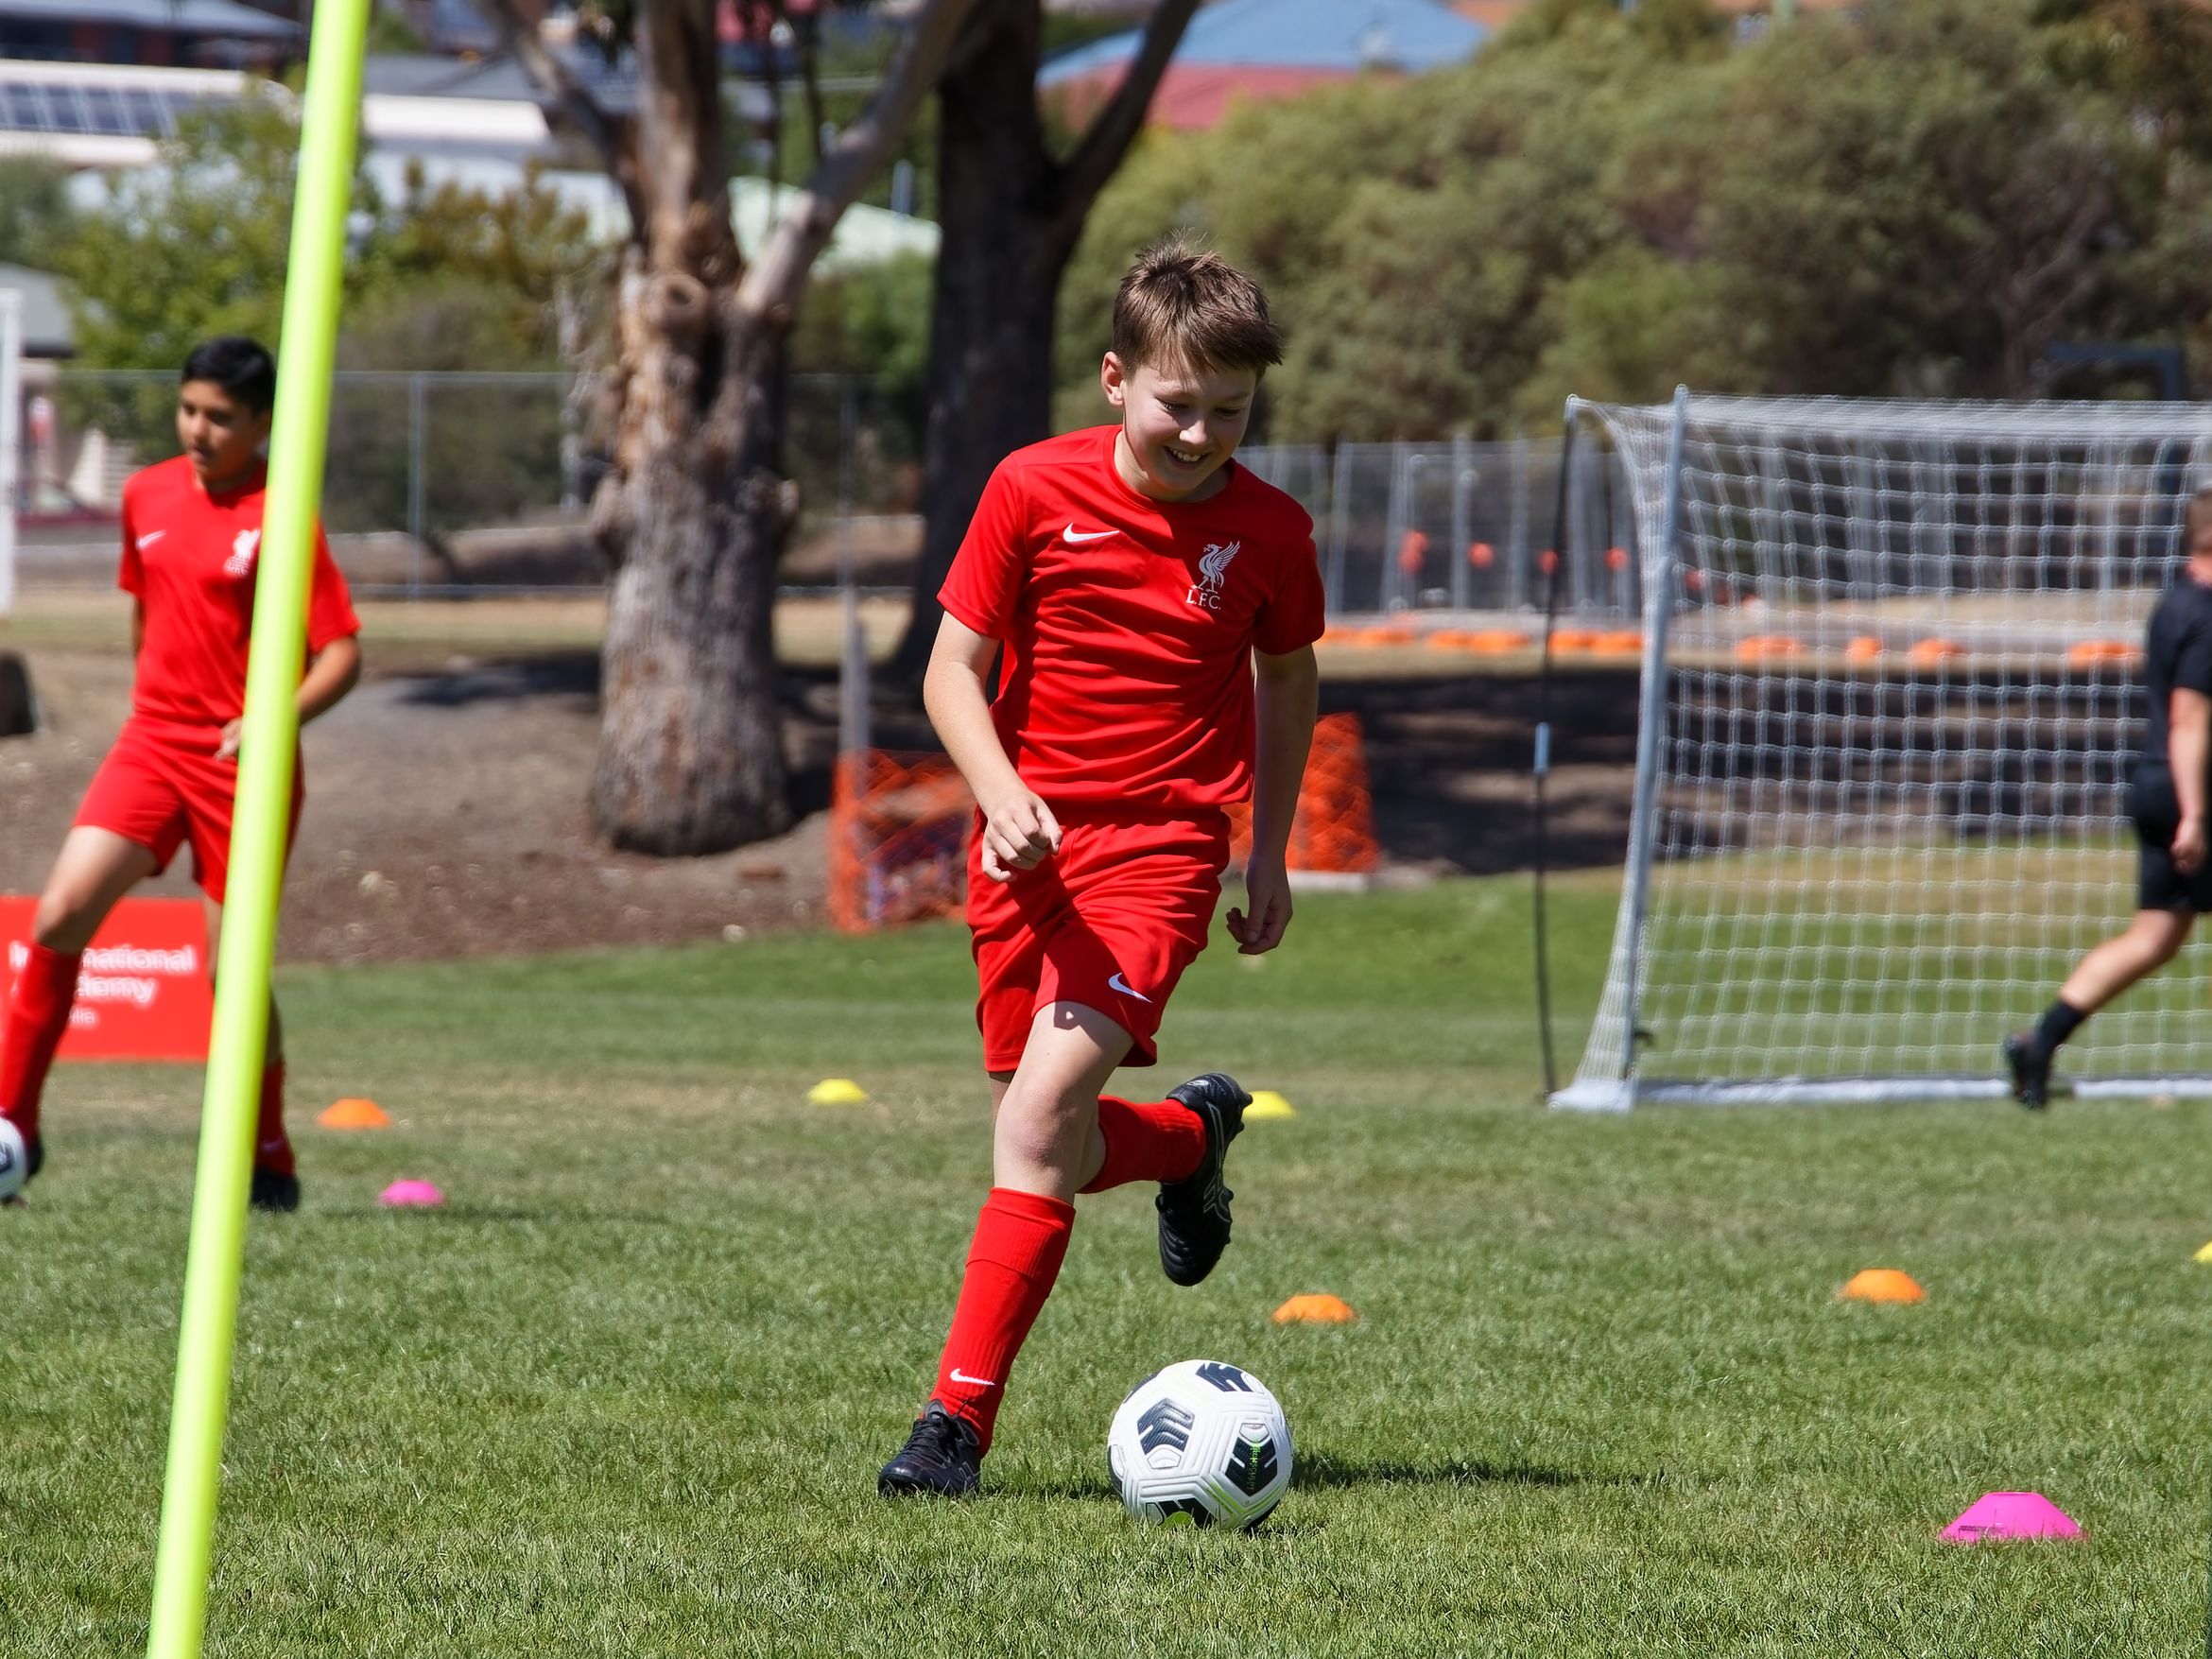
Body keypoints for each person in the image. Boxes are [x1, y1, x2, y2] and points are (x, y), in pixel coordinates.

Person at [876, 238, 1324, 1496]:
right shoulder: (1030, 487)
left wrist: (1267, 848)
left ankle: (954, 1427)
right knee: (1051, 1143)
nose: (1201, 434)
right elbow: (951, 672)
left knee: (1032, 1124)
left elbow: (1289, 677)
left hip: (1160, 854)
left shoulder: (1271, 530)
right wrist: (1000, 793)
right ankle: (1186, 1140)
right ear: (1117, 378)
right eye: (1178, 404)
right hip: (1023, 852)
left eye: (1230, 411)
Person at [0, 337, 362, 1207]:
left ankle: (269, 1152)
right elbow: (148, 615)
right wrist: (153, 708)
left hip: (245, 765)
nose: (198, 429)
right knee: (59, 913)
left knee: (231, 974)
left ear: (263, 425)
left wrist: (272, 720)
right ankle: (14, 1127)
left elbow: (343, 654)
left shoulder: (283, 513)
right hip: (154, 743)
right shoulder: (147, 492)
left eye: (221, 418)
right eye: (188, 409)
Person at [2005, 486, 2212, 1107]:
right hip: (2191, 793)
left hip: (2158, 783)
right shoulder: (2205, 615)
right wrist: (2196, 814)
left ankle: (2040, 1041)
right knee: (2155, 934)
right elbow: (2190, 720)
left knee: (2154, 937)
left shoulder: (2174, 602)